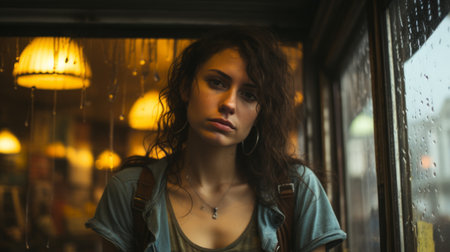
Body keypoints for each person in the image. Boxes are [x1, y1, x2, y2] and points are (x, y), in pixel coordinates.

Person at [86, 27, 346, 252]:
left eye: (249, 95)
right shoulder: (131, 192)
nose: (229, 104)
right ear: (186, 87)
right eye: (217, 83)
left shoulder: (296, 189)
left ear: (260, 113)